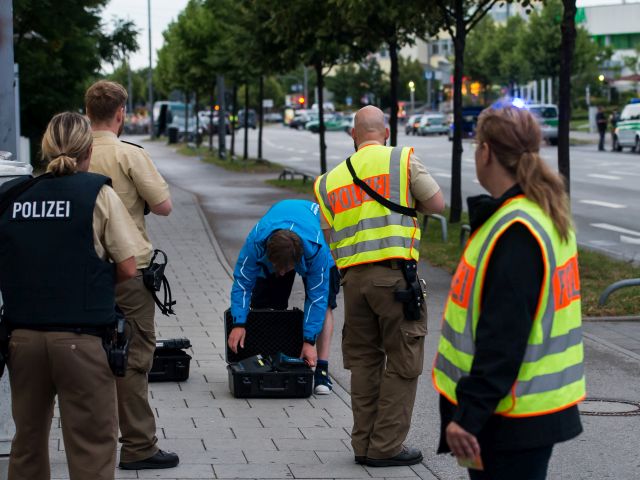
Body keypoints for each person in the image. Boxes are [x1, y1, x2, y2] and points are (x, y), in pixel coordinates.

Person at [432, 106, 585, 480]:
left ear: (485, 152)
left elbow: (503, 337)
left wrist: (467, 418)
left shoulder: (515, 230)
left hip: (506, 417)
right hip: (521, 414)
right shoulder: (537, 214)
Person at [0, 112, 143, 479]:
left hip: (22, 341)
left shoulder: (14, 195)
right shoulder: (98, 194)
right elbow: (129, 267)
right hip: (82, 341)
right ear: (89, 151)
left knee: (27, 443)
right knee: (91, 446)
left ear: (46, 149)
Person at [314, 105, 445, 467]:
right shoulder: (401, 161)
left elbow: (329, 234)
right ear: (386, 132)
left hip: (353, 283)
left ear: (353, 136)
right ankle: (386, 447)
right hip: (395, 279)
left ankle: (363, 443)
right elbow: (436, 203)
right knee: (404, 362)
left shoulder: (328, 181)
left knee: (365, 364)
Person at [85, 80, 178, 470]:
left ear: (87, 112)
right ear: (121, 114)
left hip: (84, 273)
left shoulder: (72, 154)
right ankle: (138, 446)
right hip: (130, 271)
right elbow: (164, 207)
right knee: (134, 356)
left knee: (87, 358)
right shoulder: (129, 155)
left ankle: (91, 443)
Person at [228, 199, 338, 394]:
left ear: (298, 261)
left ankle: (321, 368)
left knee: (326, 303)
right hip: (276, 227)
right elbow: (243, 282)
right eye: (277, 268)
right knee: (267, 304)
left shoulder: (317, 250)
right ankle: (269, 360)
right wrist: (239, 323)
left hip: (310, 233)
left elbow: (316, 298)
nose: (281, 273)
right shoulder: (256, 242)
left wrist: (309, 341)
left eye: (286, 269)